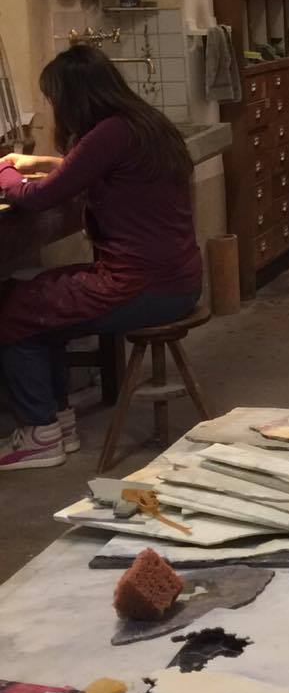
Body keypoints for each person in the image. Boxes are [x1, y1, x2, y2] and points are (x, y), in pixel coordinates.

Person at [0, 46, 203, 470]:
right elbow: (83, 167)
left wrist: (5, 172)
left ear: (75, 96)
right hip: (177, 280)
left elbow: (37, 198)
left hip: (142, 287)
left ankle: (39, 435)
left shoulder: (111, 133)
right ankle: (57, 423)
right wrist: (38, 161)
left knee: (13, 308)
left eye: (55, 98)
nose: (54, 107)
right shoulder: (143, 124)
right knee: (36, 297)